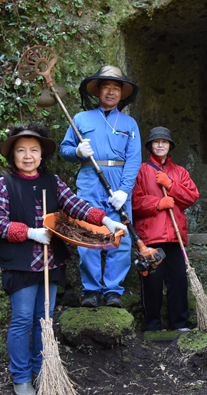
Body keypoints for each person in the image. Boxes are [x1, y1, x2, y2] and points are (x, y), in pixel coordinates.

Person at [0, 124, 127, 395]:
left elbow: (76, 205)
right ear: (13, 155)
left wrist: (106, 220)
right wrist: (29, 232)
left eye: (34, 150)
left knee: (45, 318)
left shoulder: (52, 182)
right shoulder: (5, 184)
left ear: (41, 155)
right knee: (23, 319)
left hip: (50, 263)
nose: (28, 156)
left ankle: (43, 370)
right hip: (21, 264)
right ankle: (21, 377)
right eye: (21, 150)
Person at [60, 66, 141, 308]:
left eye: (116, 88)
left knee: (122, 237)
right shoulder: (81, 119)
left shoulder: (129, 123)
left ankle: (113, 291)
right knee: (87, 233)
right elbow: (65, 149)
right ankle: (92, 291)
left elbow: (134, 159)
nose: (111, 92)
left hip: (119, 182)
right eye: (106, 87)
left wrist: (124, 190)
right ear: (98, 91)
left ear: (122, 93)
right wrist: (76, 151)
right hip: (89, 179)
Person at [131, 127, 200, 331]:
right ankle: (152, 325)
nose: (160, 145)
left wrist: (170, 184)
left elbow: (191, 197)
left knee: (178, 280)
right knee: (152, 281)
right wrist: (159, 203)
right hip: (150, 237)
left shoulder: (179, 172)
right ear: (150, 146)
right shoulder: (141, 170)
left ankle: (179, 324)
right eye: (156, 141)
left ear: (170, 146)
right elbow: (134, 202)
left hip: (174, 236)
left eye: (164, 142)